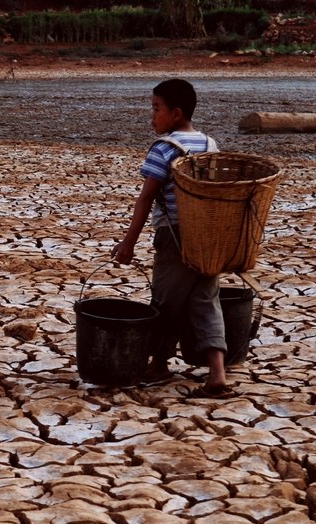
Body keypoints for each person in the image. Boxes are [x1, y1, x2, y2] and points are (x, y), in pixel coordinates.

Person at [111, 78, 234, 398]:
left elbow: (146, 198)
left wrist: (129, 242)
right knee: (206, 300)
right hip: (206, 237)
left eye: (156, 109)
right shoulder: (210, 144)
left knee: (166, 301)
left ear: (176, 113)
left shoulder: (164, 149)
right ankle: (217, 373)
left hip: (174, 237)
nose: (151, 116)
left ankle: (159, 364)